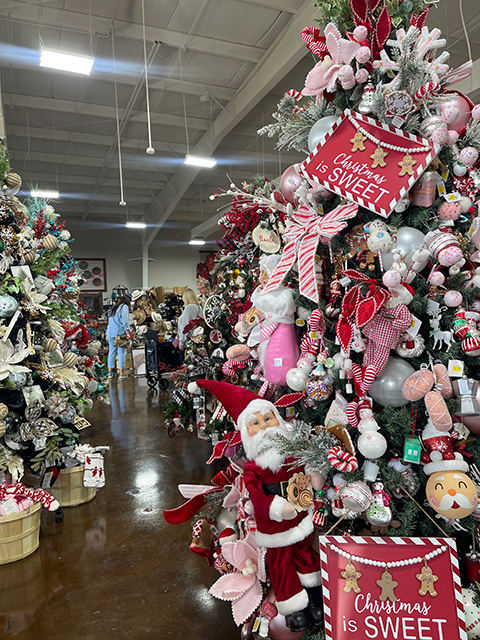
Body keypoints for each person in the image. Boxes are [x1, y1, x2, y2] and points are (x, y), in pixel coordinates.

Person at [188, 379, 324, 634]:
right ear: (247, 432)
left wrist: (315, 476)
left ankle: (315, 601)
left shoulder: (291, 453)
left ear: (278, 419)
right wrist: (278, 509)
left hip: (300, 521)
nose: (264, 427)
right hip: (275, 526)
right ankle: (293, 609)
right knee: (282, 565)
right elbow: (259, 498)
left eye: (267, 419)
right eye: (256, 423)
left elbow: (306, 470)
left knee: (306, 556)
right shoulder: (253, 468)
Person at [106, 295, 131, 380]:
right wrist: (127, 332)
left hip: (110, 333)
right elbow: (125, 321)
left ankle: (110, 374)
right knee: (121, 353)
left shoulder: (114, 307)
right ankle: (121, 373)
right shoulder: (124, 307)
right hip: (119, 333)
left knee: (112, 352)